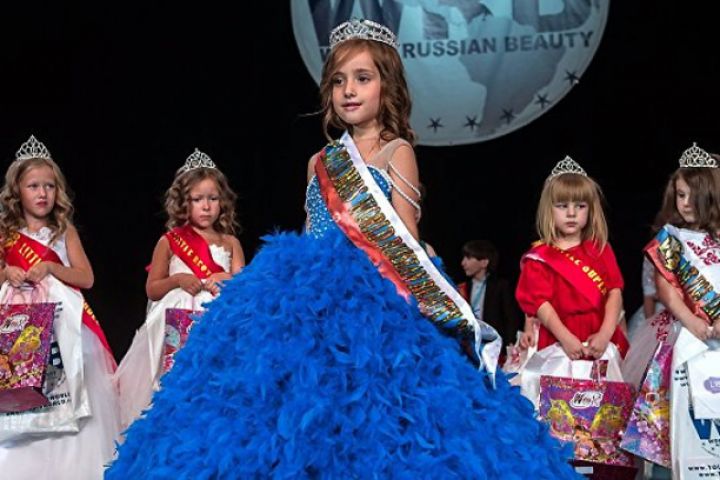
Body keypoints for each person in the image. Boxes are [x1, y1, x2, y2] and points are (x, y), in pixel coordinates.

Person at [106, 19, 576, 478]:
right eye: (338, 80)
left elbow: (405, 239)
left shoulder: (397, 151)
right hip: (309, 299)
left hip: (375, 301)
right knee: (281, 405)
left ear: (387, 86)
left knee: (374, 412)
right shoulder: (320, 161)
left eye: (362, 78)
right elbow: (312, 228)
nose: (348, 90)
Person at [0, 135, 119, 479]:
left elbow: (86, 277)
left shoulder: (63, 231)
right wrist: (7, 272)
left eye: (49, 186)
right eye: (34, 186)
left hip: (63, 325)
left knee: (66, 393)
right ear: (17, 191)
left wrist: (51, 267)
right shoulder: (5, 233)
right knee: (20, 392)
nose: (43, 193)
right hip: (17, 323)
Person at [114, 148, 244, 429]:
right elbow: (152, 289)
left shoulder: (231, 243)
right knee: (174, 390)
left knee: (215, 386)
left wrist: (226, 278)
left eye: (213, 198)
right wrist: (177, 280)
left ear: (222, 201)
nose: (206, 206)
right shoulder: (170, 241)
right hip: (175, 324)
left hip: (218, 320)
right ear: (184, 203)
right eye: (197, 199)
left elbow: (246, 286)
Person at [626, 143, 720, 478]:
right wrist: (692, 321)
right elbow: (665, 289)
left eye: (694, 195)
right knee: (678, 415)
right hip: (684, 334)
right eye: (680, 195)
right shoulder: (671, 237)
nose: (686, 203)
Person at [515, 157, 628, 408]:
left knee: (603, 409)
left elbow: (614, 292)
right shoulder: (539, 257)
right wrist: (565, 338)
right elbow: (541, 305)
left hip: (599, 336)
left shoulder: (601, 249)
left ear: (590, 209)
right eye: (562, 205)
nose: (571, 213)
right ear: (549, 209)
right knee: (560, 409)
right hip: (558, 338)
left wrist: (606, 333)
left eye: (580, 206)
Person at [458, 239, 522, 347]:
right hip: (469, 344)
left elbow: (510, 318)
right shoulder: (462, 288)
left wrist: (509, 344)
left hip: (494, 346)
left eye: (468, 258)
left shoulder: (500, 286)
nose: (463, 263)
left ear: (484, 262)